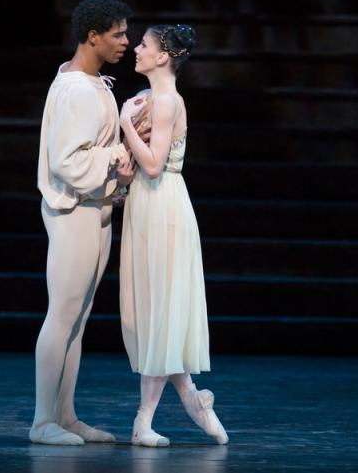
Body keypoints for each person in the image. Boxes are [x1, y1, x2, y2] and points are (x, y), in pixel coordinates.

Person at [31, 0, 136, 445]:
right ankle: (42, 421)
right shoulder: (76, 89)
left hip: (95, 208)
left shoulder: (93, 85)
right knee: (62, 315)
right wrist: (116, 154)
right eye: (118, 34)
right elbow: (67, 162)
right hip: (73, 209)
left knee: (78, 318)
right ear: (92, 36)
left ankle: (65, 414)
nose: (126, 43)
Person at [118, 24, 229, 447]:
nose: (136, 49)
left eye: (143, 45)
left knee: (162, 309)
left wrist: (125, 122)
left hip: (164, 205)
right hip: (146, 206)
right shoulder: (149, 98)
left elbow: (152, 164)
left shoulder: (165, 101)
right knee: (154, 312)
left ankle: (144, 420)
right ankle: (193, 400)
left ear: (163, 56)